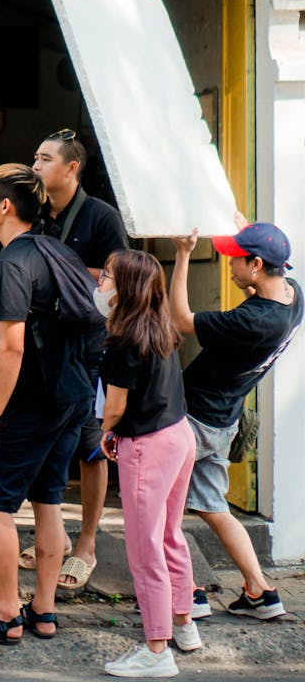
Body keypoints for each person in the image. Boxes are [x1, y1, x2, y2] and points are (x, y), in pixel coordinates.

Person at [0, 163, 92, 646]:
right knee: (49, 501)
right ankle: (43, 611)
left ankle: (6, 614)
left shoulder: (10, 262)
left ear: (5, 206)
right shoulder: (59, 251)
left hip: (33, 400)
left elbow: (11, 348)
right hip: (73, 395)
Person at [170, 220, 302, 620]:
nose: (229, 266)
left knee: (162, 507)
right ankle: (261, 591)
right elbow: (259, 290)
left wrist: (182, 254)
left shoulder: (252, 322)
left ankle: (188, 594)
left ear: (258, 265)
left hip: (195, 420)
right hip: (222, 421)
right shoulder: (292, 296)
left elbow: (181, 319)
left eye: (236, 260)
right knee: (213, 506)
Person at [30, 129, 129, 591]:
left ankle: (87, 542)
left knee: (91, 445)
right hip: (43, 343)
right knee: (44, 438)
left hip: (90, 348)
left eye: (46, 158)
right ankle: (52, 536)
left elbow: (123, 280)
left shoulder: (100, 216)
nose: (36, 165)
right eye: (36, 157)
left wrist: (62, 267)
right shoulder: (35, 213)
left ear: (71, 169)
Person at [96, 250, 200, 678]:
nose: (100, 282)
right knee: (171, 535)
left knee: (144, 549)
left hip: (148, 447)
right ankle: (184, 624)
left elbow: (116, 407)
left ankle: (157, 651)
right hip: (179, 436)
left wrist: (105, 432)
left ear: (125, 288)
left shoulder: (124, 340)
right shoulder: (160, 327)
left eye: (106, 276)